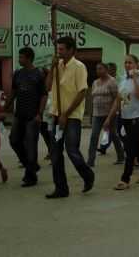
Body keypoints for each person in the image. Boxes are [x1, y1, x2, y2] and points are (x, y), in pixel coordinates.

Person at [46, 36, 94, 199]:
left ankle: (87, 175)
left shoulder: (79, 67)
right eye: (58, 49)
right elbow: (47, 87)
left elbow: (82, 92)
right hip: (56, 114)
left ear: (71, 50)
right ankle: (61, 188)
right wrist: (52, 69)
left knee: (72, 150)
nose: (58, 52)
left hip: (72, 115)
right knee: (55, 153)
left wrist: (66, 114)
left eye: (61, 49)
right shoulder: (57, 65)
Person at [104, 55, 139, 191]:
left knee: (130, 148)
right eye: (125, 62)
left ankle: (125, 178)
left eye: (130, 63)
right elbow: (118, 100)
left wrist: (135, 78)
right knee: (134, 145)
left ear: (136, 65)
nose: (127, 65)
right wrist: (109, 118)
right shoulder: (122, 79)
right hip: (125, 117)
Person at [5, 47, 47, 188]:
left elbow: (44, 95)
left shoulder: (38, 74)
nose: (19, 59)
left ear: (29, 58)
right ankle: (32, 165)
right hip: (19, 114)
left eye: (21, 57)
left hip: (32, 116)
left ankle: (30, 177)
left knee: (30, 146)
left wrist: (39, 114)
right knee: (14, 141)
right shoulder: (17, 73)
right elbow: (13, 92)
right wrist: (5, 108)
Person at [87, 63, 119, 168]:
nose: (98, 71)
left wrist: (109, 118)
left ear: (106, 70)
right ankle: (90, 161)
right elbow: (93, 99)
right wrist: (92, 115)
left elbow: (116, 99)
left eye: (100, 69)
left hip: (110, 114)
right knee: (94, 136)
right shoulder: (95, 82)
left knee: (113, 135)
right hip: (97, 114)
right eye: (97, 69)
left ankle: (121, 156)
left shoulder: (112, 81)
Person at [97, 62, 125, 162]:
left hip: (118, 109)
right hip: (110, 110)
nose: (108, 71)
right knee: (111, 131)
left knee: (117, 132)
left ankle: (124, 148)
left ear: (114, 70)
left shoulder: (118, 80)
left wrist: (119, 109)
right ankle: (104, 147)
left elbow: (120, 95)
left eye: (109, 69)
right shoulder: (104, 80)